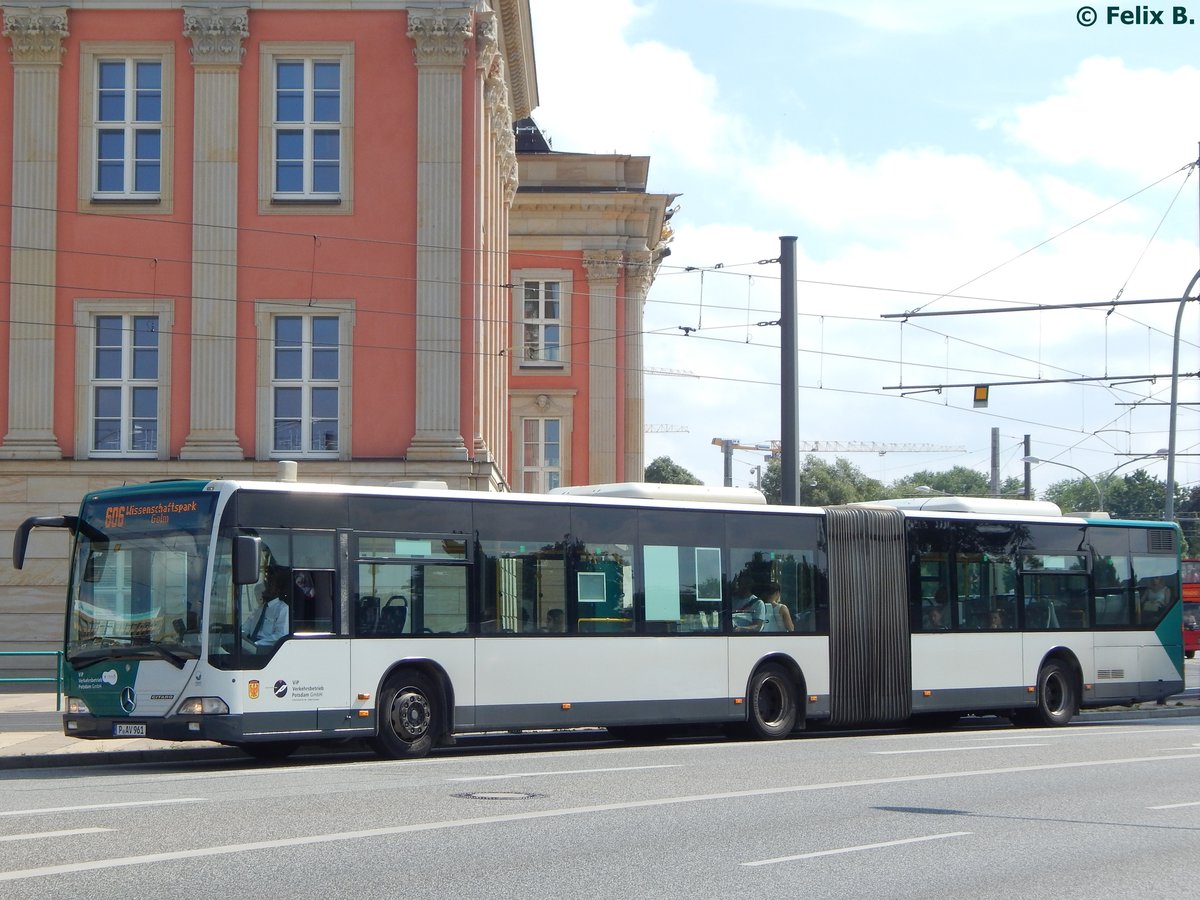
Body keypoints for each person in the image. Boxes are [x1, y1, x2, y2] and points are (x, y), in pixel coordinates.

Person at [243, 566, 290, 649]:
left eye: (270, 583)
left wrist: (257, 644)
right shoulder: (260, 608)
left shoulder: (282, 609)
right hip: (251, 645)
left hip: (265, 649)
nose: (266, 585)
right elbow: (247, 626)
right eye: (266, 581)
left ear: (277, 589)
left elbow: (280, 635)